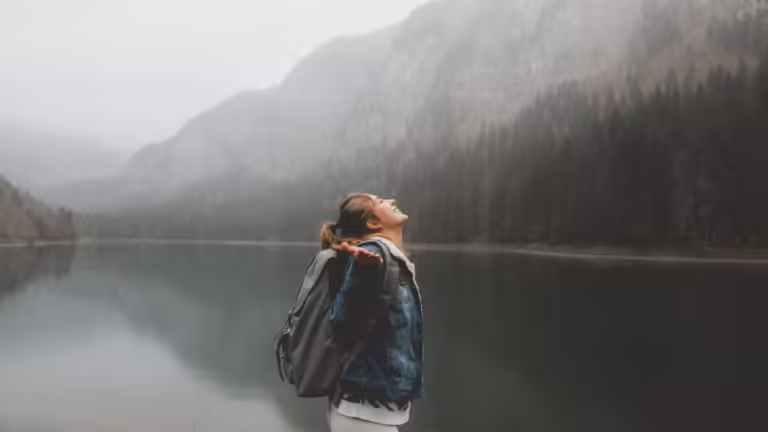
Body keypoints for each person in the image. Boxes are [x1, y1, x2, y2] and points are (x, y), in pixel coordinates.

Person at [319, 193, 424, 432]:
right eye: (380, 202)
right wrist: (362, 274)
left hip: (372, 411)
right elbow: (338, 321)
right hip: (362, 412)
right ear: (373, 224)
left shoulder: (389, 257)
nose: (392, 201)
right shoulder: (371, 255)